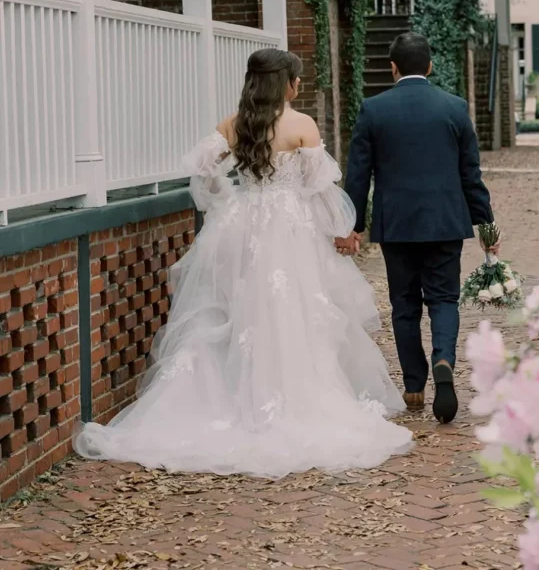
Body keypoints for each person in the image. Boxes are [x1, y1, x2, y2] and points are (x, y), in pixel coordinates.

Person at [74, 48, 412, 477]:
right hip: (290, 232)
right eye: (296, 79)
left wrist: (227, 200)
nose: (299, 87)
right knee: (296, 312)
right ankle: (292, 397)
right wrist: (342, 230)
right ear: (286, 83)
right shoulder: (301, 125)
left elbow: (200, 167)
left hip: (244, 225)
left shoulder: (233, 125)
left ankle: (240, 396)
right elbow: (321, 190)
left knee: (241, 312)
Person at [339, 33, 496, 424]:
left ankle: (413, 384)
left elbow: (358, 176)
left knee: (404, 305)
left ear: (393, 67)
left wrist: (352, 224)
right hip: (445, 221)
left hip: (397, 225)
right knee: (443, 299)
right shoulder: (455, 108)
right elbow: (469, 174)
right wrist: (485, 221)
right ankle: (443, 356)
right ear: (429, 65)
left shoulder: (373, 110)